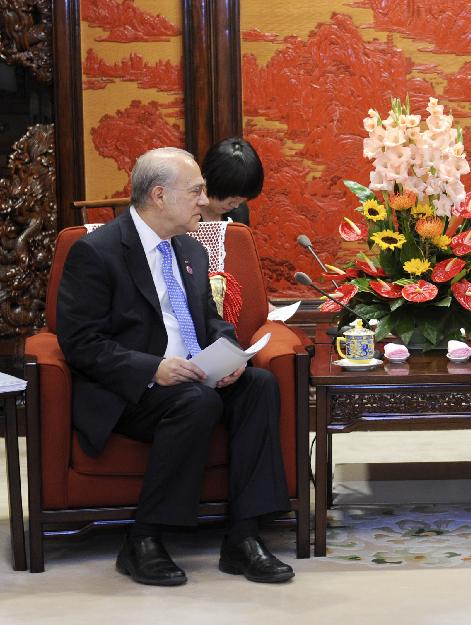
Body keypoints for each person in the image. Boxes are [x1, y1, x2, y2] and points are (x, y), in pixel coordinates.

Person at [56, 147, 294, 586]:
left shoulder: (189, 249)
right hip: (130, 391)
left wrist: (228, 352)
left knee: (259, 385)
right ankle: (144, 539)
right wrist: (153, 368)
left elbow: (210, 318)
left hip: (191, 378)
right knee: (196, 402)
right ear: (160, 196)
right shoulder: (97, 251)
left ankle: (243, 537)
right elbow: (79, 343)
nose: (205, 200)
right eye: (197, 191)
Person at [199, 137, 264, 225]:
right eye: (233, 199)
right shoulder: (183, 214)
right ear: (207, 180)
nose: (235, 206)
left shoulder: (239, 214)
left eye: (241, 201)